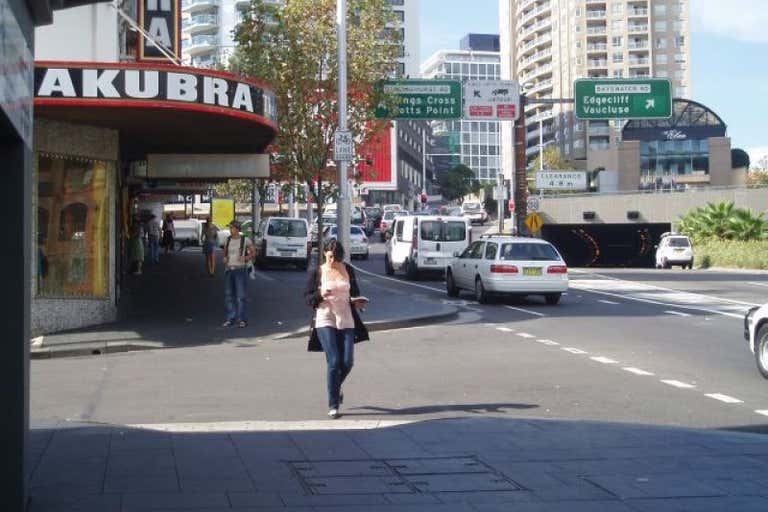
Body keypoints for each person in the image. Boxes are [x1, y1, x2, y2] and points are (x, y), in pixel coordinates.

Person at [303, 240, 369, 419]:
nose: (333, 261)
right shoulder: (318, 271)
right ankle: (333, 404)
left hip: (346, 318)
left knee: (347, 362)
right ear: (324, 253)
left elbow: (354, 292)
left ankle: (335, 386)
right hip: (325, 318)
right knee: (334, 361)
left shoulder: (348, 270)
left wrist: (358, 303)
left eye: (336, 257)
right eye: (330, 256)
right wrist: (320, 294)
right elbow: (307, 297)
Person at [222, 220, 254, 328]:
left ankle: (242, 319)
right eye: (230, 228)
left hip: (240, 269)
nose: (230, 230)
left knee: (241, 296)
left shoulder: (245, 240)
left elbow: (254, 252)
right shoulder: (228, 240)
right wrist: (225, 258)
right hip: (229, 270)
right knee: (229, 296)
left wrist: (245, 258)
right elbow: (225, 252)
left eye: (231, 228)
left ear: (237, 229)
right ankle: (231, 318)